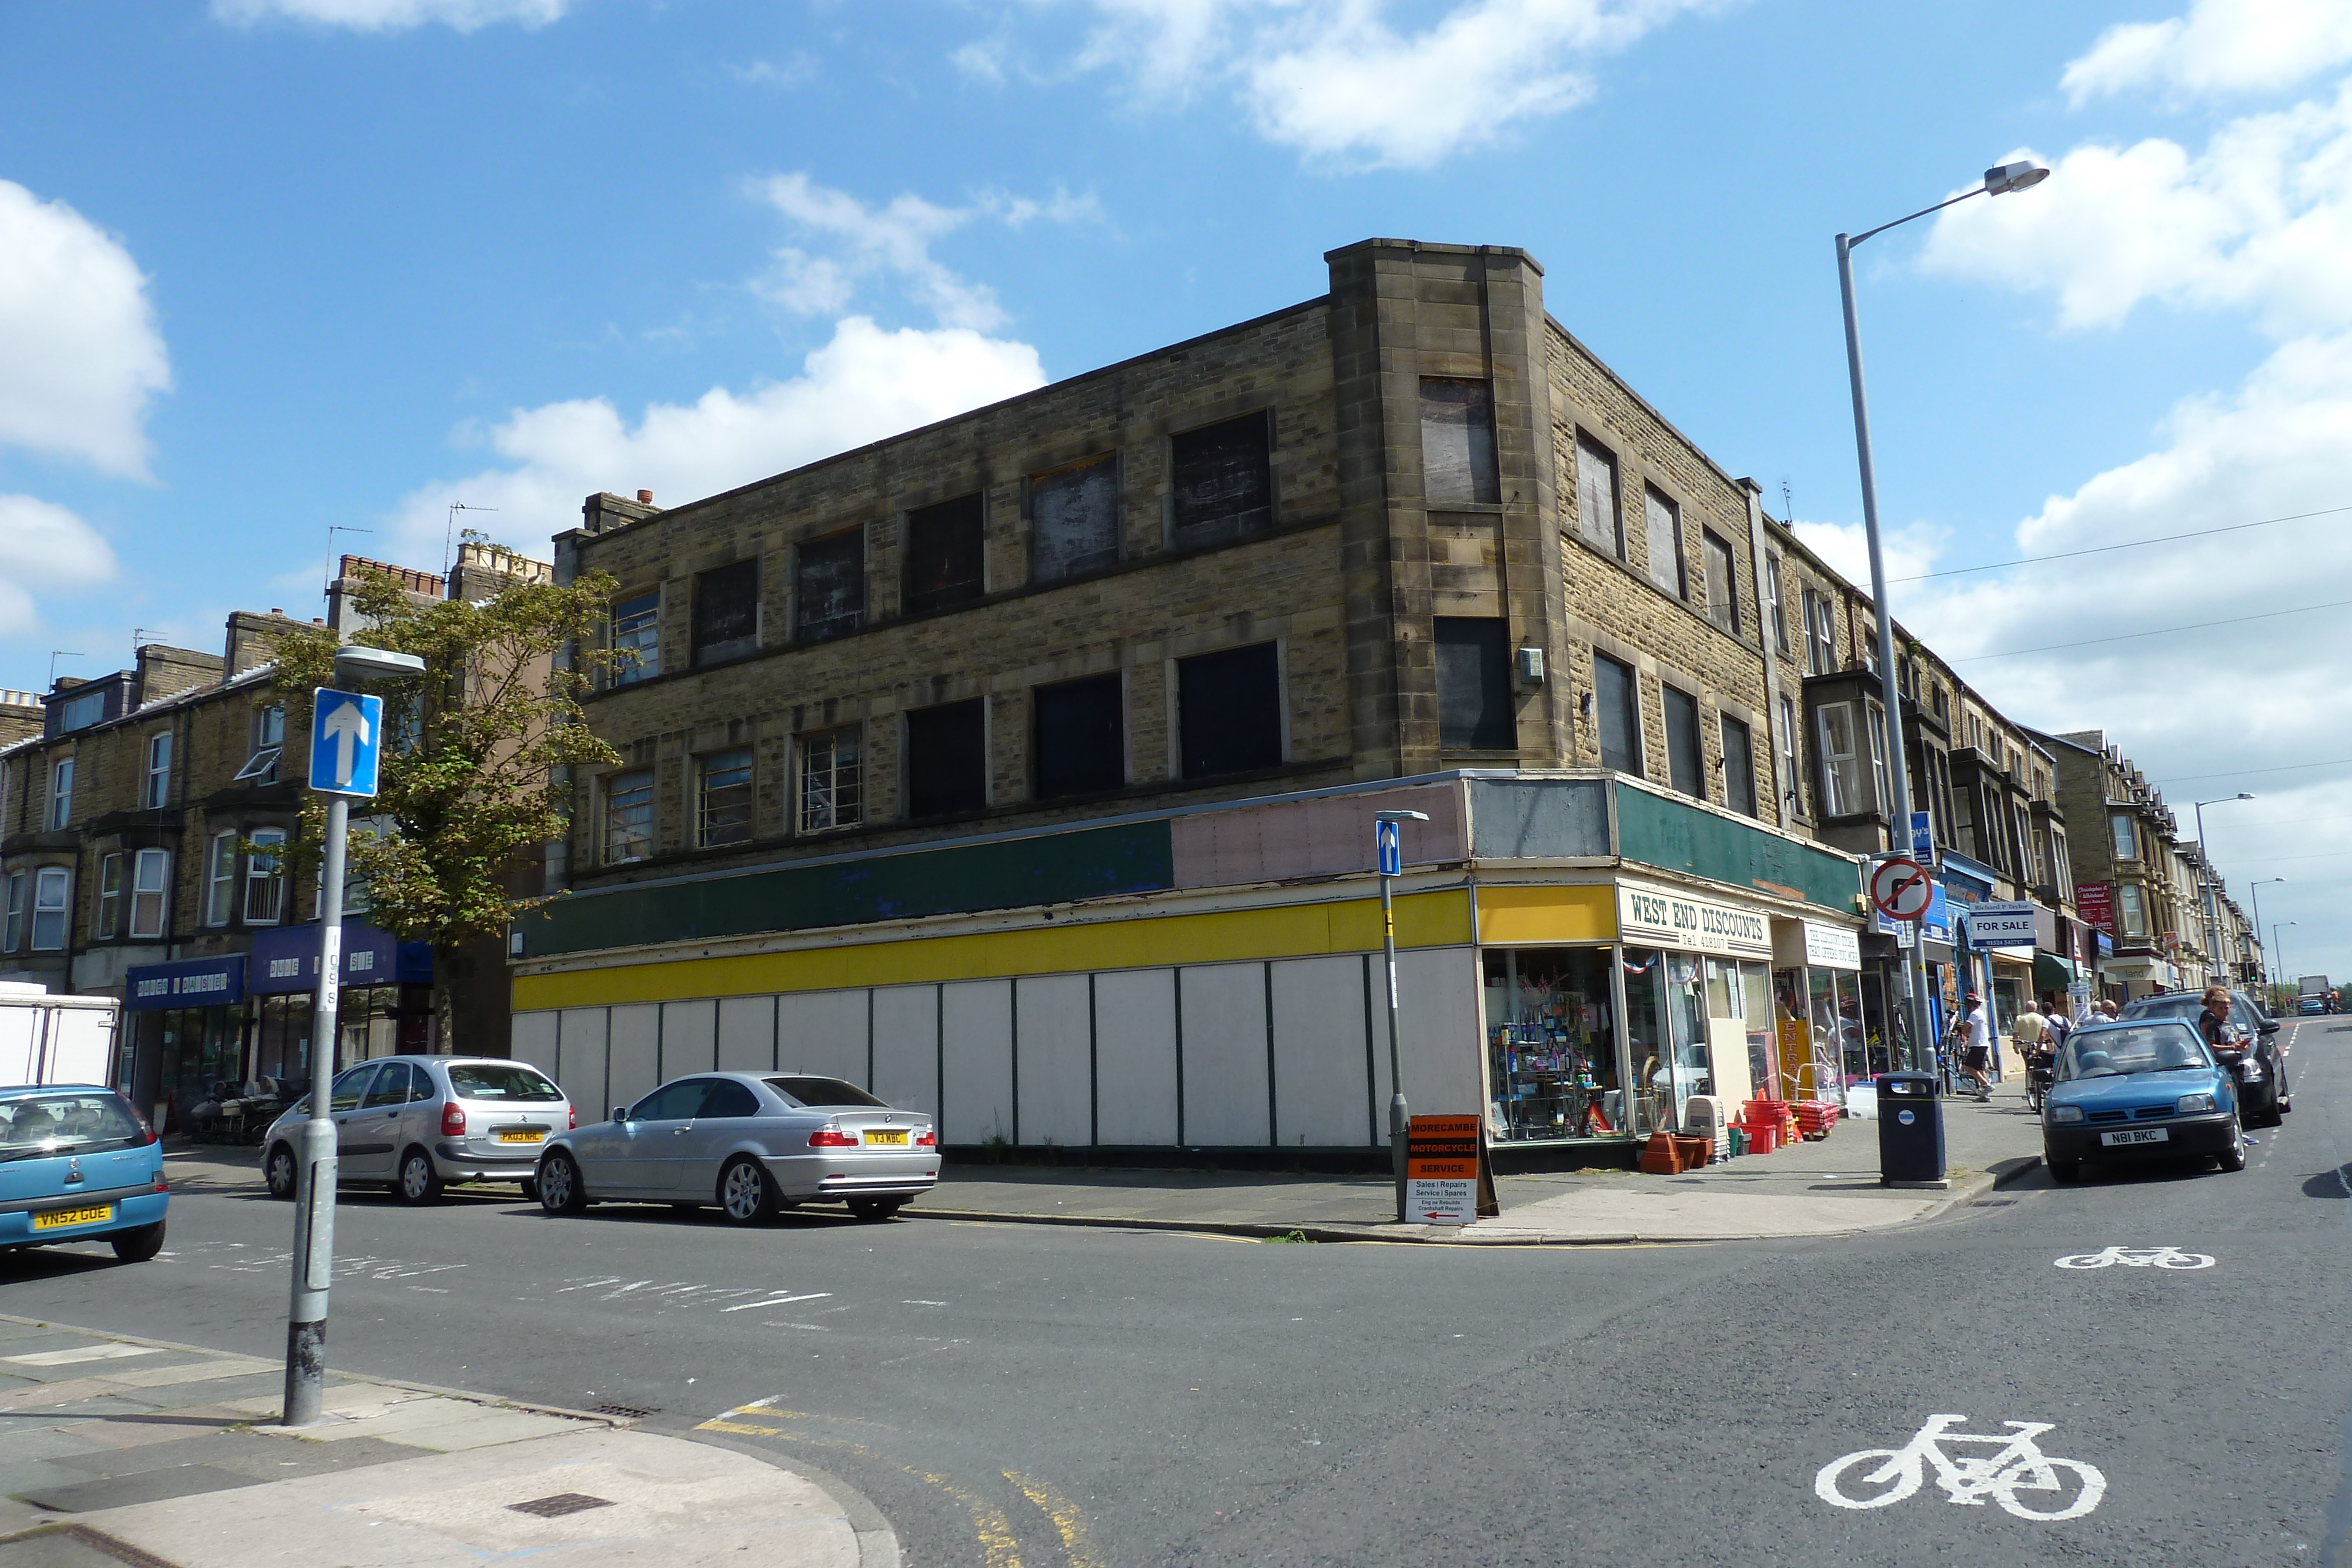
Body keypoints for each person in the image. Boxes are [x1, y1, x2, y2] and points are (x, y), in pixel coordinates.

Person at [1955, 991, 1993, 1100]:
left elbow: (1966, 1027)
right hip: (1981, 1044)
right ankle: (1984, 1096)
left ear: (1970, 1004)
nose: (1966, 1007)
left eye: (1967, 1004)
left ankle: (1986, 1085)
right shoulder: (1979, 1013)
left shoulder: (1975, 1014)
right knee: (1979, 1069)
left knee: (1968, 1067)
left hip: (1978, 1045)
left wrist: (1964, 1032)